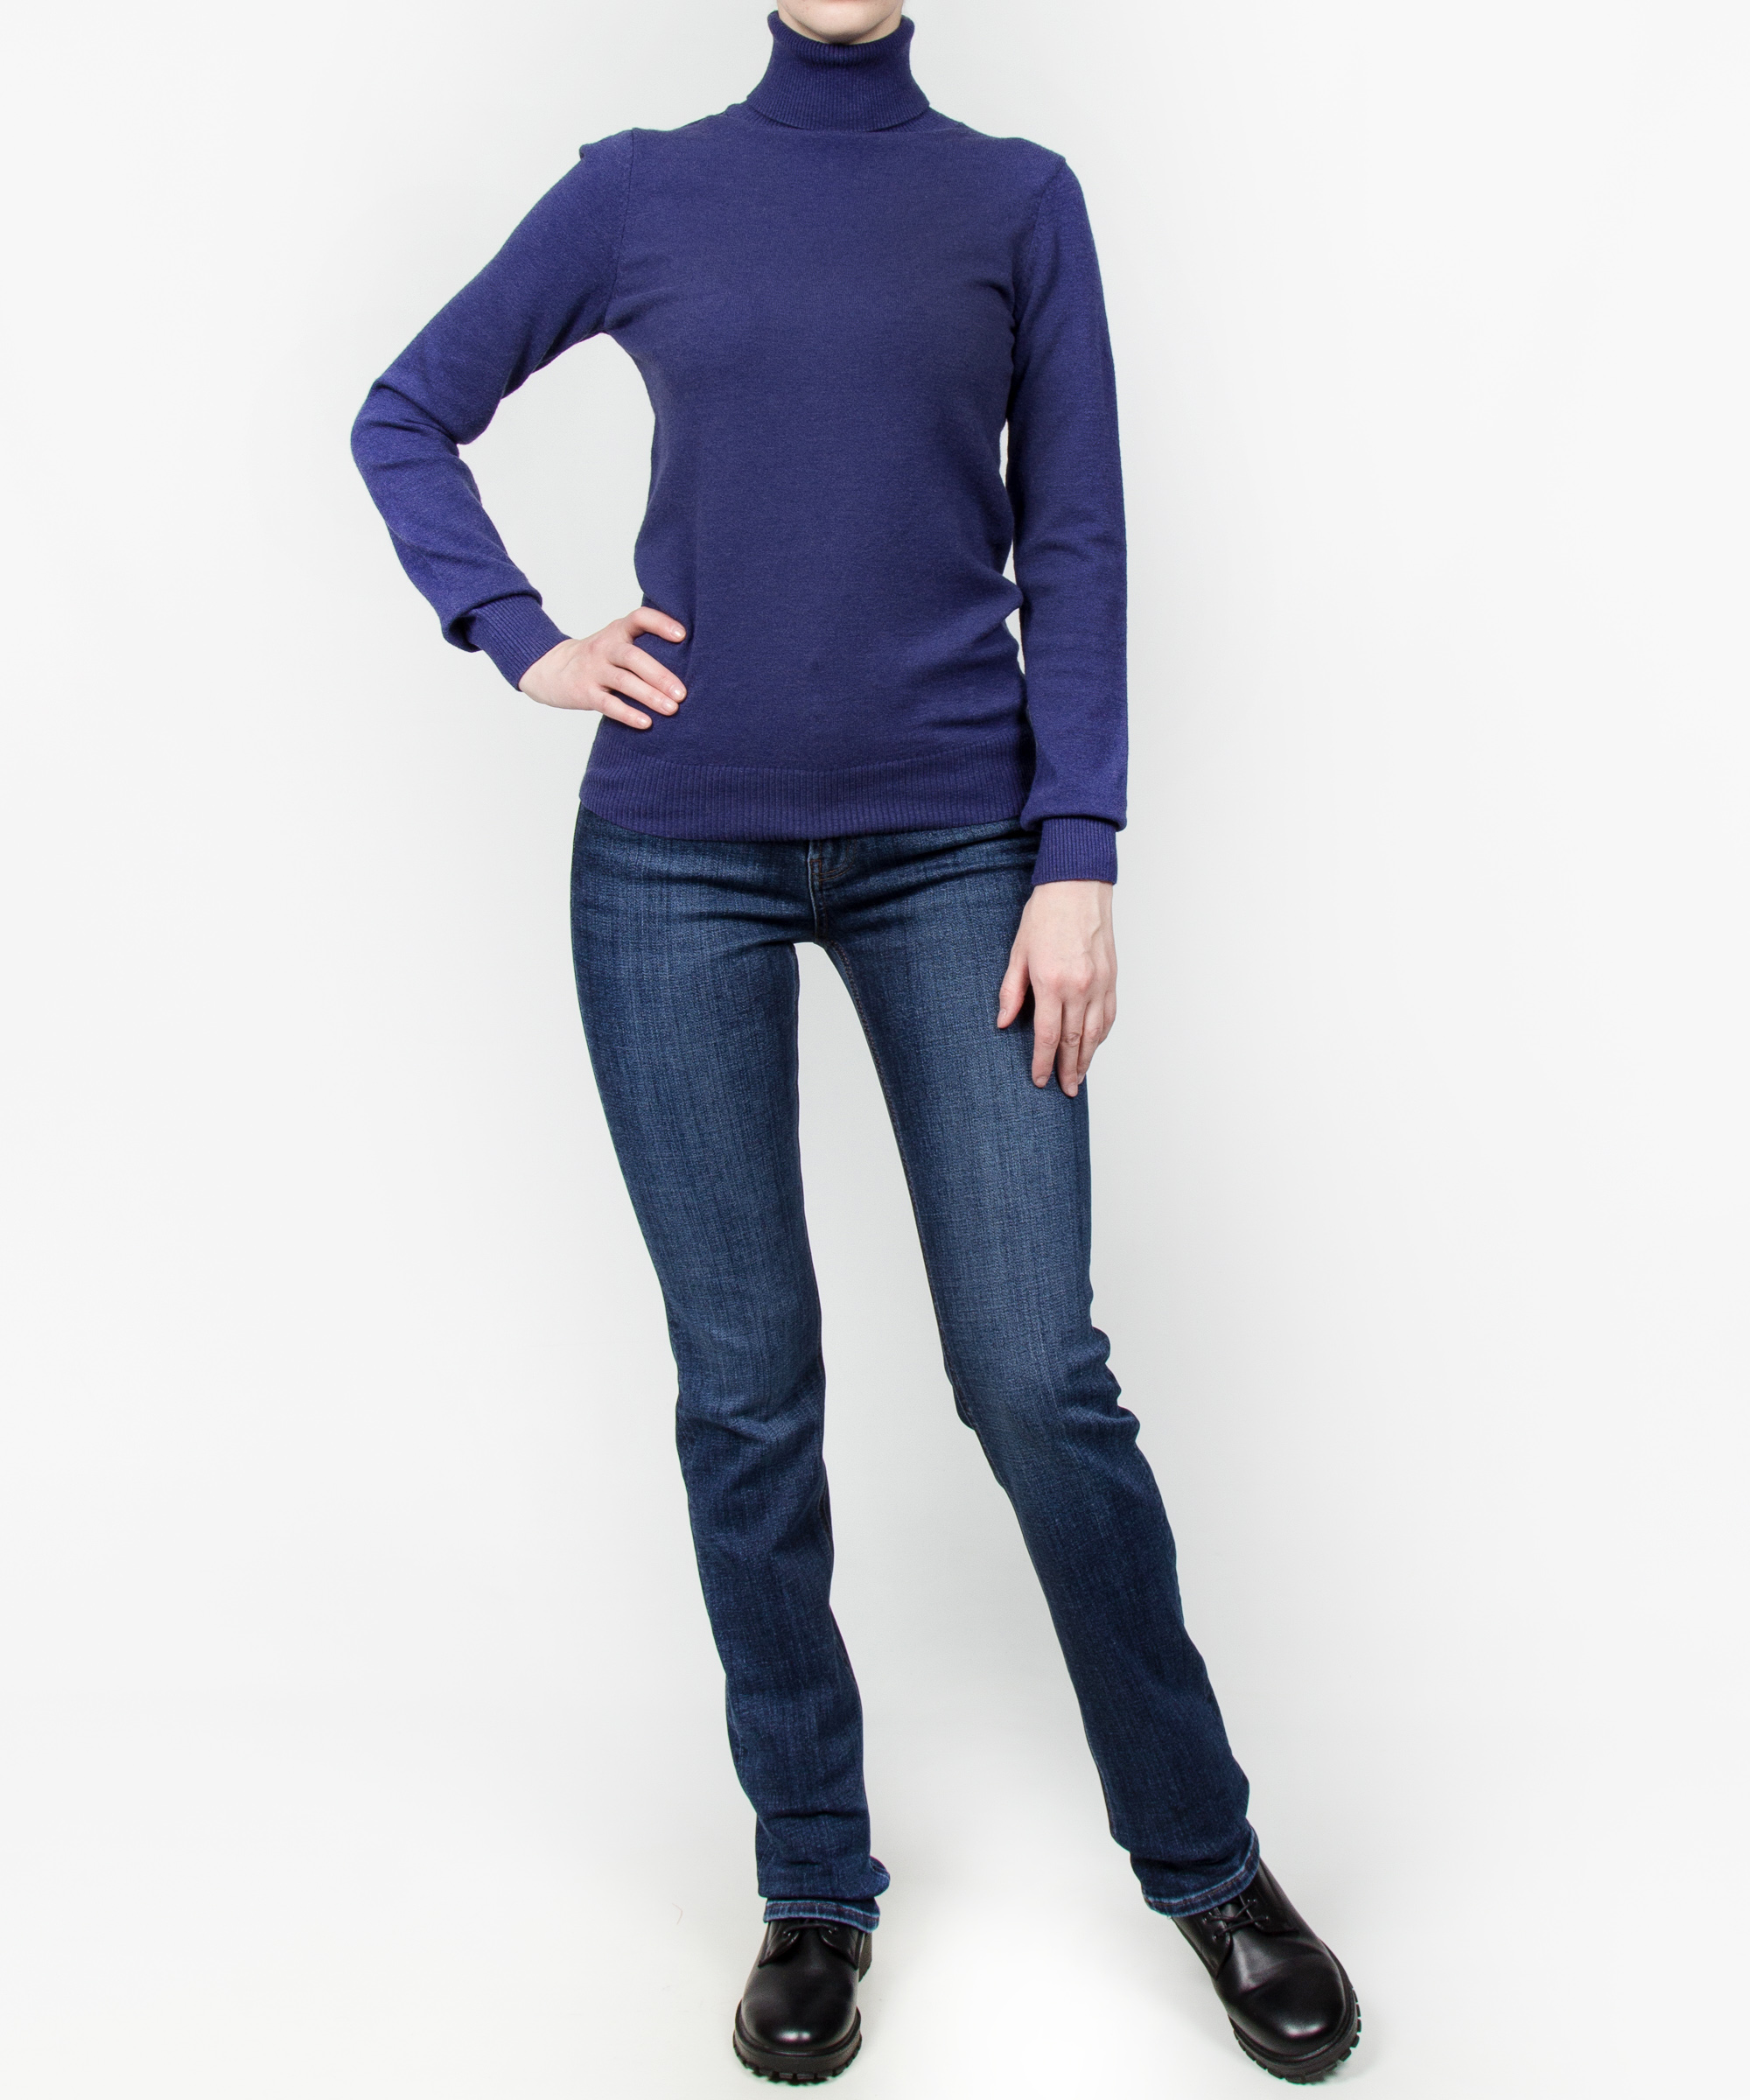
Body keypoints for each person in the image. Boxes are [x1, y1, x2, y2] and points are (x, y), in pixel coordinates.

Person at [351, 2, 1359, 2082]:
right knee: (745, 1394)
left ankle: (1209, 1862)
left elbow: (1074, 535)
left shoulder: (1015, 202)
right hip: (673, 860)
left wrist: (1076, 849)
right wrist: (519, 634)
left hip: (960, 852)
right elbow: (404, 414)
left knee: (1033, 1376)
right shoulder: (638, 191)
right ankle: (812, 1883)